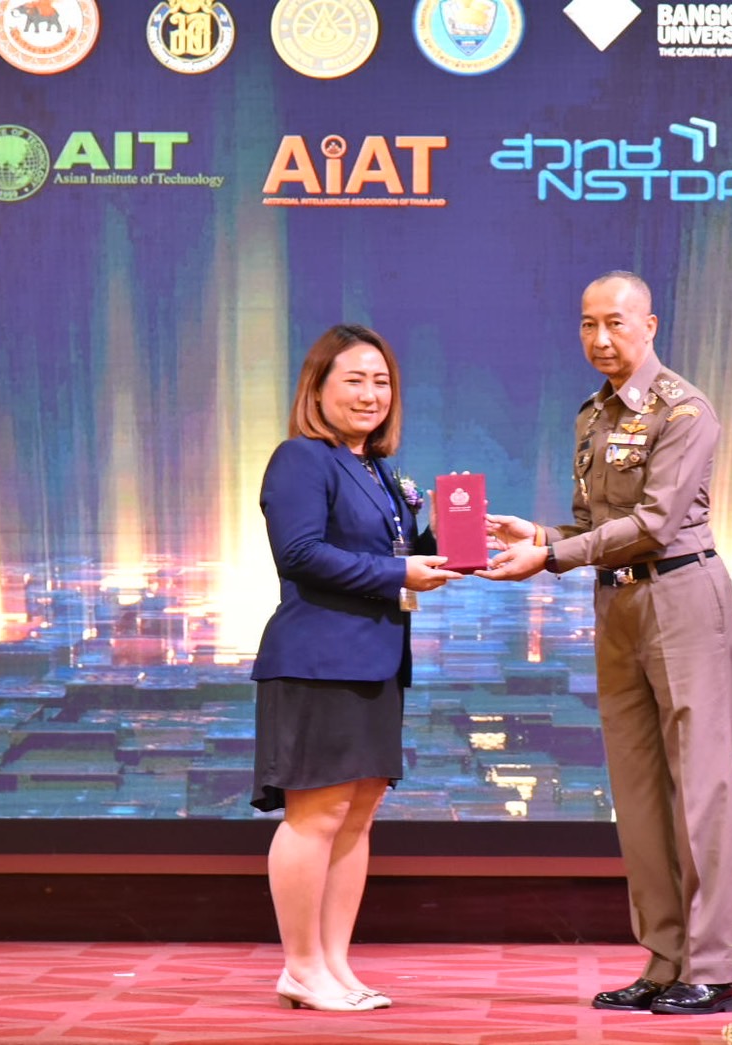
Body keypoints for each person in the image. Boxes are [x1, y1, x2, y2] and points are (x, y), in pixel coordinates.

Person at [478, 271, 732, 1015]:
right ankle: (663, 960)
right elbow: (594, 527)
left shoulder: (684, 410)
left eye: (616, 323)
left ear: (649, 325)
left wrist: (550, 557)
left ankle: (713, 966)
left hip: (681, 595)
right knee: (636, 789)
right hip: (618, 601)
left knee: (700, 788)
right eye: (588, 323)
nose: (600, 338)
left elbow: (655, 524)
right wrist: (540, 534)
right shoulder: (592, 414)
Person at [251, 323, 461, 1012]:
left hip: (374, 660)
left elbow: (394, 556)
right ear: (317, 388)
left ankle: (334, 964)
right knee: (315, 816)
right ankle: (300, 966)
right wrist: (400, 572)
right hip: (317, 659)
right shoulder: (301, 459)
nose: (371, 394)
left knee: (355, 816)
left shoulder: (377, 469)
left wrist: (450, 538)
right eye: (354, 380)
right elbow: (300, 553)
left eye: (381, 381)